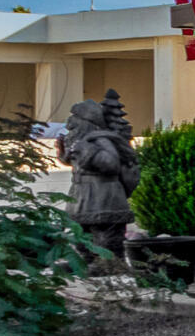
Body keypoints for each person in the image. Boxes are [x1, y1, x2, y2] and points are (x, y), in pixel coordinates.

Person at [59, 92, 140, 258]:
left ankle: (110, 265)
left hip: (103, 197)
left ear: (86, 122)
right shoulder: (81, 142)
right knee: (81, 236)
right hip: (82, 195)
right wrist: (63, 153)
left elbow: (111, 163)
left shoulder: (101, 140)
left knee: (107, 238)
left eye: (75, 120)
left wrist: (87, 150)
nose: (70, 125)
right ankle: (88, 263)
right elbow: (78, 163)